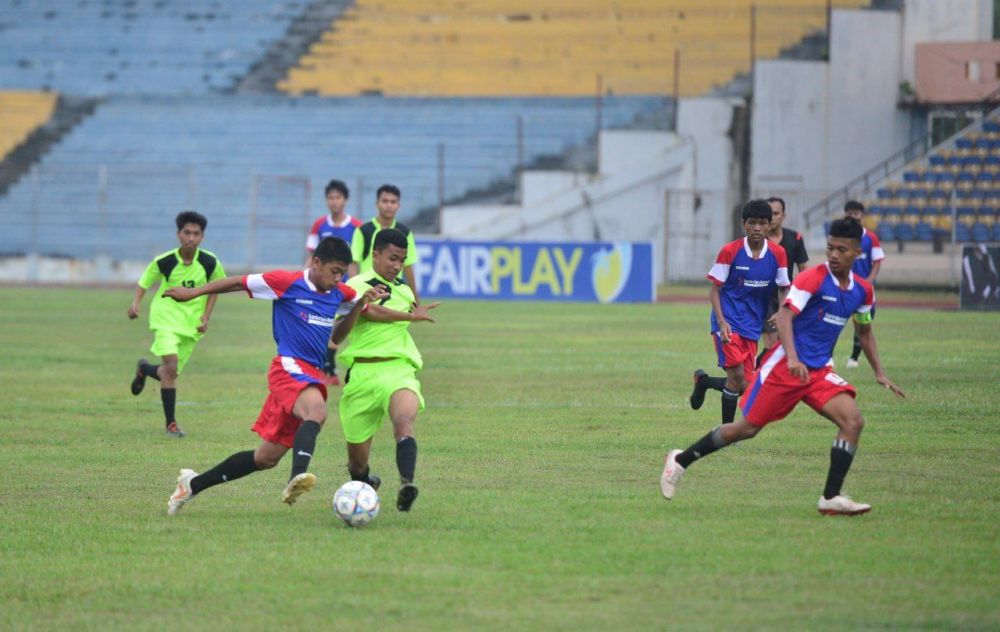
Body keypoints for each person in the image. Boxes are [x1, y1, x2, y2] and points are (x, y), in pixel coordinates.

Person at [661, 217, 905, 516]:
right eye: (830, 248)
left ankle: (830, 496)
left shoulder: (863, 291)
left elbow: (864, 330)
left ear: (857, 253)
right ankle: (680, 460)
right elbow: (786, 316)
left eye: (842, 249)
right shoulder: (813, 278)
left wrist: (879, 372)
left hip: (817, 372)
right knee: (745, 429)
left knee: (853, 421)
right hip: (783, 368)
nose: (833, 255)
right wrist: (791, 356)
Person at [162, 237, 386, 515]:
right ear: (316, 263)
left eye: (343, 273)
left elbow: (338, 336)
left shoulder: (340, 293)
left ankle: (192, 484)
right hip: (288, 367)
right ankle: (297, 477)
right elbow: (236, 282)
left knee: (265, 458)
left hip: (307, 375)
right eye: (334, 271)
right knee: (317, 409)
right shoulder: (285, 281)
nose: (338, 278)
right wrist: (193, 294)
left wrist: (361, 303)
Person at [337, 228, 439, 513]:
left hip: (398, 370)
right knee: (356, 463)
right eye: (393, 258)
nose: (397, 265)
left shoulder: (405, 291)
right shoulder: (354, 285)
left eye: (402, 260)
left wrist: (412, 312)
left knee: (403, 421)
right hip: (362, 375)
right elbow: (370, 312)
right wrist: (410, 316)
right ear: (376, 255)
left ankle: (407, 483)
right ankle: (364, 480)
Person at [688, 200, 790, 427]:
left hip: (753, 325)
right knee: (735, 378)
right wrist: (722, 322)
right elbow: (715, 289)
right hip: (728, 322)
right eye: (752, 223)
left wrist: (783, 311)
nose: (756, 228)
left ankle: (703, 382)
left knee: (747, 386)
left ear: (769, 225)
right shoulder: (730, 251)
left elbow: (784, 286)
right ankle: (727, 432)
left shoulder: (778, 254)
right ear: (744, 224)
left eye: (762, 223)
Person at [128, 211, 225, 438]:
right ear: (178, 234)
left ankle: (144, 369)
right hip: (165, 319)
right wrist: (135, 304)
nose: (191, 237)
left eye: (196, 233)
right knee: (171, 366)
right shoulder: (166, 260)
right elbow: (144, 282)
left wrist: (206, 317)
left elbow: (217, 287)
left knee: (169, 373)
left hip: (190, 326)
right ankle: (171, 424)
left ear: (202, 236)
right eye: (187, 232)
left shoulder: (209, 262)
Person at [304, 179, 363, 384]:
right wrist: (305, 280)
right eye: (330, 197)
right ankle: (328, 370)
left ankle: (331, 370)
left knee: (344, 327)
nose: (334, 201)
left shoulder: (356, 227)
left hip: (344, 289)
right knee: (324, 327)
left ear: (345, 200)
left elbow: (355, 261)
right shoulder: (320, 225)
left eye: (338, 197)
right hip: (323, 287)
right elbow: (311, 256)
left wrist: (355, 285)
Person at [756, 196, 809, 365]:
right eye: (769, 214)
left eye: (776, 213)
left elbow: (804, 271)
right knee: (771, 343)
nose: (772, 217)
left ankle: (755, 371)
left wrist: (801, 296)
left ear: (783, 216)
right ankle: (759, 379)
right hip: (764, 298)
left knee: (785, 342)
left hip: (787, 297)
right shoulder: (757, 240)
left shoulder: (795, 238)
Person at [351, 184, 421, 305]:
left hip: (394, 293)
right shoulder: (363, 230)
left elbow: (408, 267)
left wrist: (415, 299)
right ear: (377, 204)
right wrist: (355, 290)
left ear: (398, 206)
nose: (389, 205)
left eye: (393, 202)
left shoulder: (405, 232)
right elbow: (353, 262)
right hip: (368, 291)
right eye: (385, 201)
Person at [843, 200, 885, 368]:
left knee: (862, 323)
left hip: (863, 289)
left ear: (862, 215)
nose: (853, 216)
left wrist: (869, 280)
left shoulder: (870, 238)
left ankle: (854, 357)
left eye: (856, 213)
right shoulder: (842, 236)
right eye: (850, 212)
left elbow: (877, 261)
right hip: (844, 287)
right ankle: (827, 357)